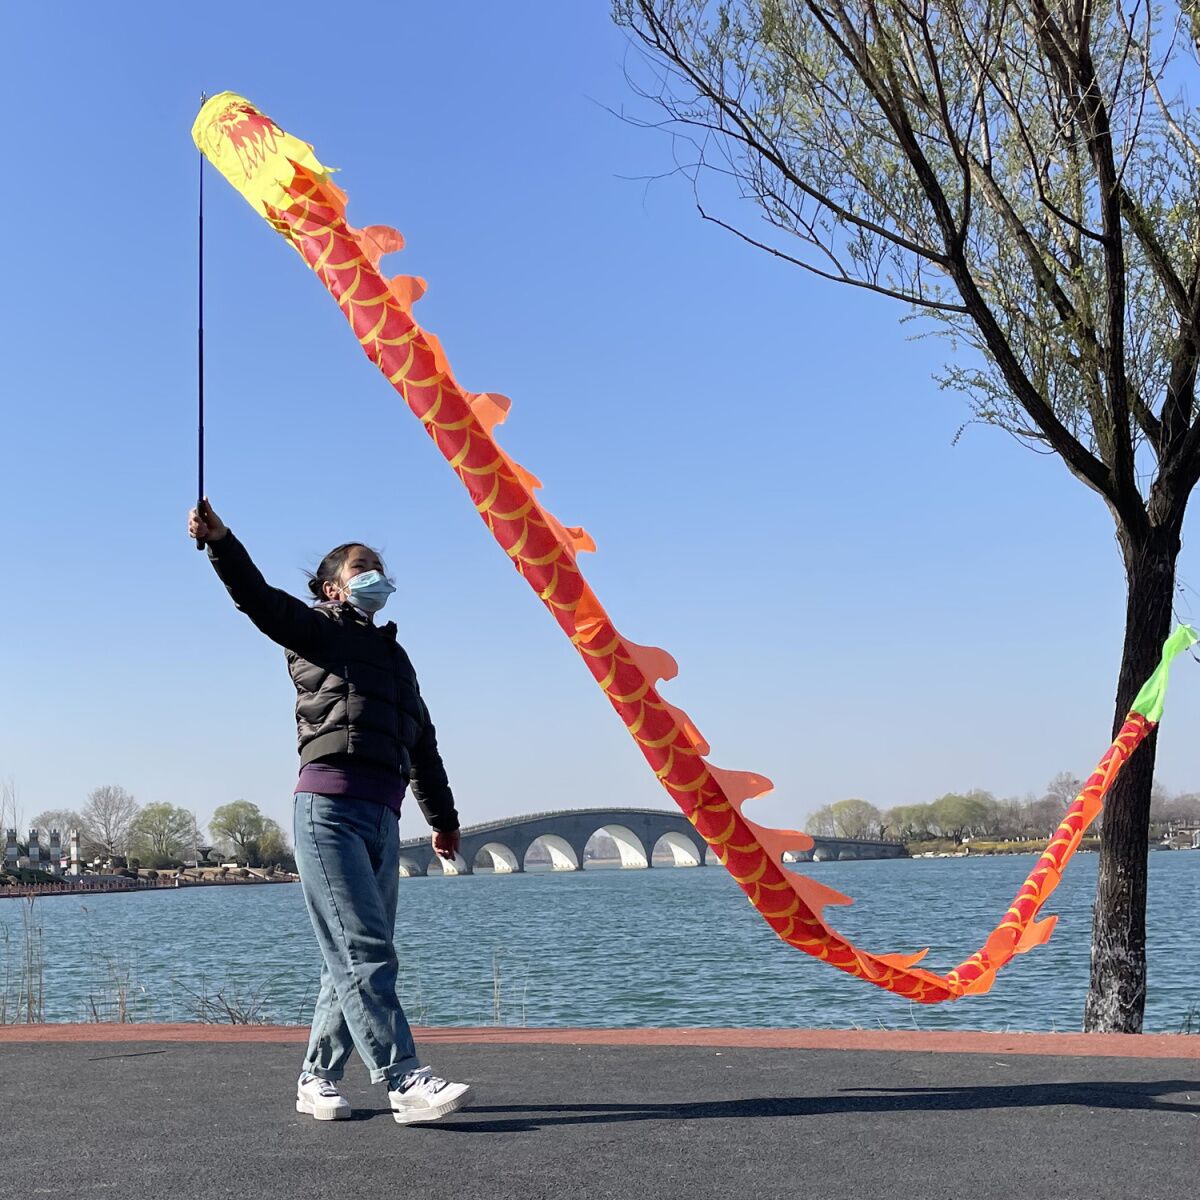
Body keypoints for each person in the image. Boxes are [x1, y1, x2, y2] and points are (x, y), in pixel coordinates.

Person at [188, 499, 471, 1125]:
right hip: (329, 810)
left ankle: (316, 1078)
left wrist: (443, 819)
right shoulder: (318, 630)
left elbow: (423, 744)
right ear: (332, 586)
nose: (377, 575)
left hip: (384, 817)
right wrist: (221, 542)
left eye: (380, 566)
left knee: (350, 952)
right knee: (365, 948)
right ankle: (403, 1081)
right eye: (362, 566)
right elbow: (256, 599)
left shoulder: (397, 659)